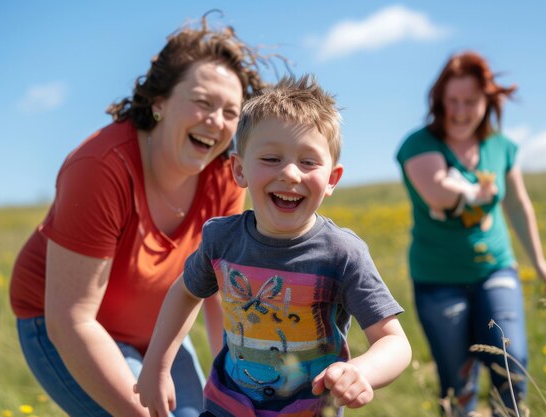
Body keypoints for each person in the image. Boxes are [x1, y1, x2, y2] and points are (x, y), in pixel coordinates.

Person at [9, 15, 270, 417]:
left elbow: (221, 295)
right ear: (159, 100)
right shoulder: (101, 167)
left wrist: (234, 391)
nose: (216, 122)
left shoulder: (225, 177)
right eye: (202, 101)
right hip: (63, 326)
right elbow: (71, 321)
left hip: (158, 330)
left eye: (230, 112)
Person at [135, 75, 412, 417]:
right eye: (271, 159)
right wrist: (157, 366)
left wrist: (361, 371)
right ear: (239, 170)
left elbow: (394, 341)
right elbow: (186, 292)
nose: (291, 174)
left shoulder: (342, 255)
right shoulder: (222, 240)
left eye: (308, 162)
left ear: (332, 180)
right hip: (226, 407)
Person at [396, 51, 546, 416]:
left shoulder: (501, 147)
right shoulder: (419, 145)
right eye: (451, 100)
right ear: (439, 102)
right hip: (438, 278)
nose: (459, 110)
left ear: (487, 101)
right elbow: (439, 194)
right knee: (458, 383)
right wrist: (473, 191)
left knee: (511, 362)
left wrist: (540, 260)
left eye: (470, 101)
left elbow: (517, 206)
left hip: (495, 268)